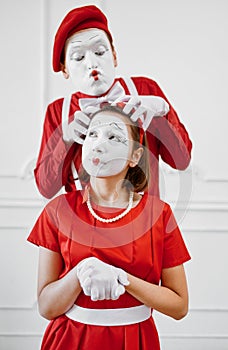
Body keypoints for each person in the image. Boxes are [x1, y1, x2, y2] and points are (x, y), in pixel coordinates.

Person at [28, 103, 191, 350]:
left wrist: (122, 279)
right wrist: (81, 272)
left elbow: (179, 307)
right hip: (69, 340)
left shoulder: (160, 214)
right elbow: (46, 307)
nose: (98, 143)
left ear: (135, 156)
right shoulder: (58, 210)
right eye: (92, 134)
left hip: (136, 341)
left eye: (113, 136)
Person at [34, 4, 192, 199]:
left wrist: (162, 112)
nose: (92, 63)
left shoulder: (146, 90)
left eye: (100, 52)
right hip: (83, 225)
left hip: (144, 222)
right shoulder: (57, 111)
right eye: (79, 57)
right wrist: (64, 141)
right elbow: (45, 188)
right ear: (65, 69)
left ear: (114, 56)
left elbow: (181, 161)